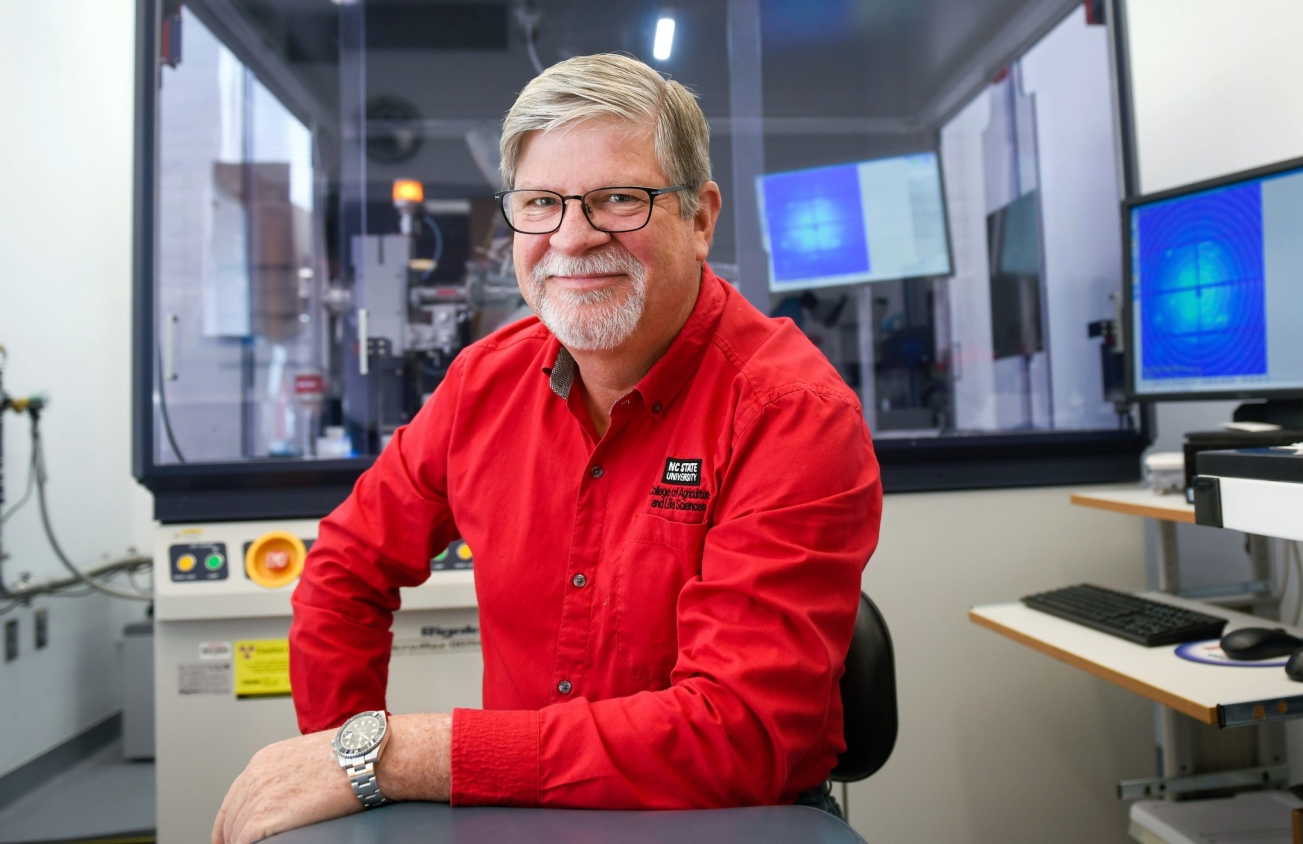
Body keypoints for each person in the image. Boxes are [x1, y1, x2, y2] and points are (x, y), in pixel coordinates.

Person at [212, 53, 882, 844]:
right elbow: (344, 571)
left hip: (735, 816)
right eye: (540, 204)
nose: (571, 237)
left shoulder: (791, 415)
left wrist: (390, 756)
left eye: (619, 200)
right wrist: (341, 761)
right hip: (525, 815)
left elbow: (737, 733)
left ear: (700, 220)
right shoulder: (482, 386)